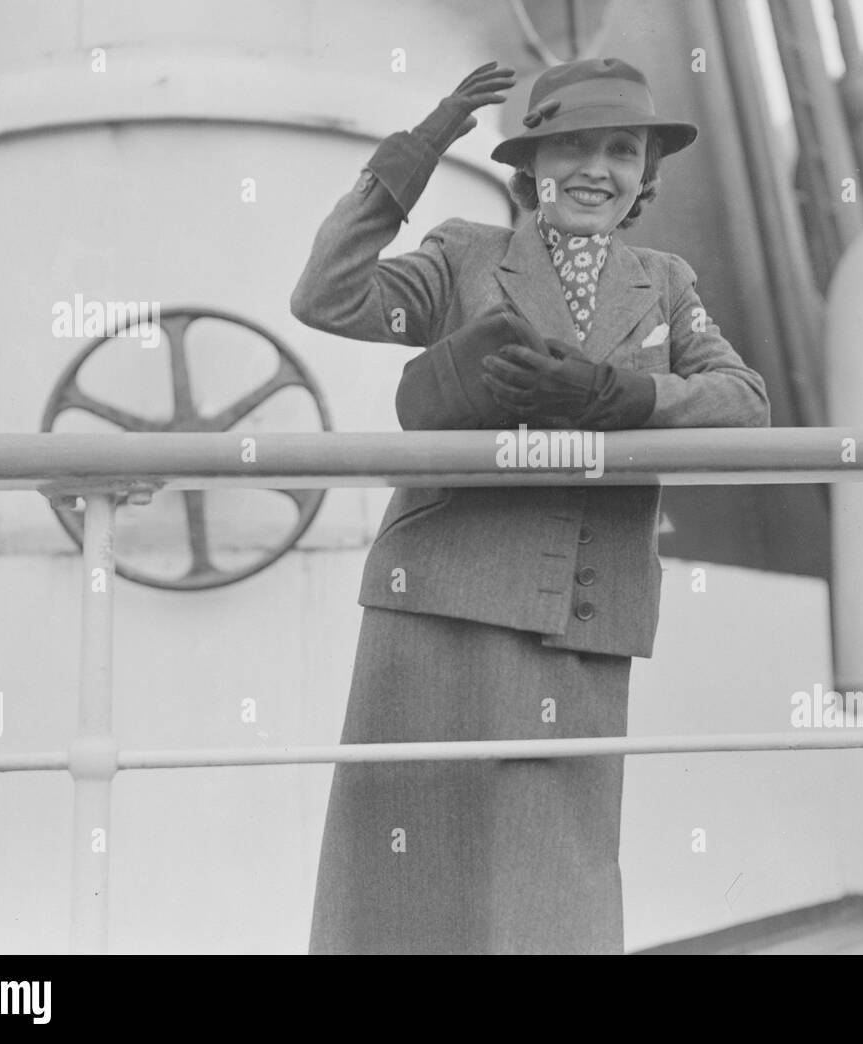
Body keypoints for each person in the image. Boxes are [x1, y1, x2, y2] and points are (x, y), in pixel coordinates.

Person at [291, 56, 771, 954]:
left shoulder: (665, 280)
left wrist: (619, 396)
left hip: (580, 610)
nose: (597, 168)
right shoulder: (465, 255)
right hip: (436, 600)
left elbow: (745, 399)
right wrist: (416, 153)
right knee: (403, 865)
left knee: (557, 882)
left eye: (621, 150)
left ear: (645, 178)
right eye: (572, 147)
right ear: (532, 168)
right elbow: (327, 295)